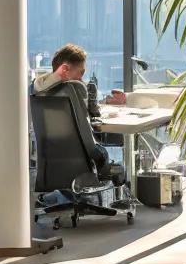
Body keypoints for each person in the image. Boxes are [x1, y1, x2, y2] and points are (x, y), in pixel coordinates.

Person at [32, 43, 126, 183]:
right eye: (81, 72)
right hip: (84, 160)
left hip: (49, 163)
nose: (82, 78)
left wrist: (105, 101)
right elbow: (87, 126)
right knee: (114, 160)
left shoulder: (39, 91)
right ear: (65, 69)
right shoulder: (76, 88)